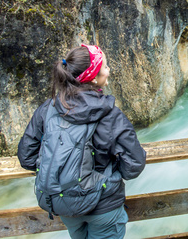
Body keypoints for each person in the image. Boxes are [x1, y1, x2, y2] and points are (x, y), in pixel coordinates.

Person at [18, 44, 146, 239]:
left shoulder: (49, 107)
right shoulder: (111, 115)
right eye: (105, 66)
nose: (109, 69)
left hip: (63, 204)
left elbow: (27, 158)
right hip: (103, 207)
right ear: (94, 77)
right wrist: (107, 178)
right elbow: (134, 165)